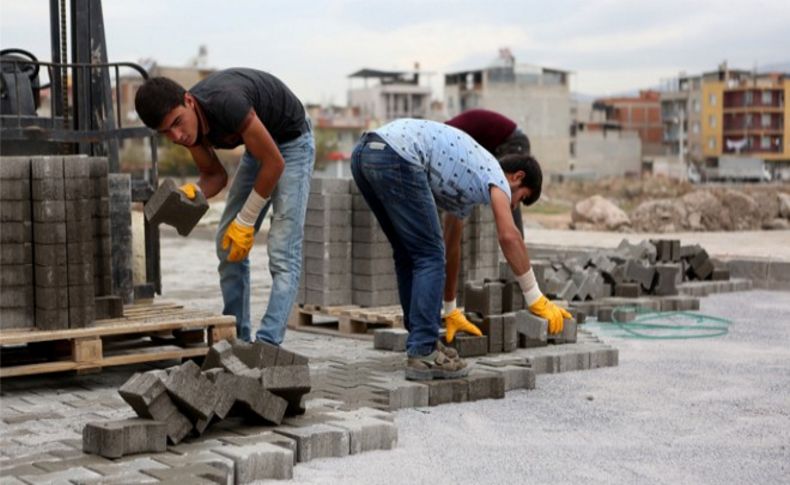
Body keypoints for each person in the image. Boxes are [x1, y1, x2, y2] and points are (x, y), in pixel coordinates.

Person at [350, 118, 570, 381]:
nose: (514, 207)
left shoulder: (467, 182)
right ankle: (423, 351)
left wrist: (450, 308)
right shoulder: (495, 174)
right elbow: (509, 236)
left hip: (365, 153)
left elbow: (451, 247)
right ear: (517, 177)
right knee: (428, 255)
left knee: (411, 254)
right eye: (520, 198)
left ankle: (423, 342)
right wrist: (535, 297)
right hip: (397, 154)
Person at [135, 68, 315, 344]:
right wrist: (192, 194)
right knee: (226, 243)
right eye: (166, 132)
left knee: (282, 251)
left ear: (189, 101)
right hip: (261, 150)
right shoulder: (188, 130)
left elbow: (275, 163)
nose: (178, 135)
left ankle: (267, 344)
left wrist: (246, 219)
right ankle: (236, 337)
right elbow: (215, 176)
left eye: (178, 122)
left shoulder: (226, 103)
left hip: (292, 143)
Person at [443, 109, 532, 338]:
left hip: (513, 142)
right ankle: (516, 250)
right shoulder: (446, 137)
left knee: (504, 191)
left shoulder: (449, 138)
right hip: (503, 142)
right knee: (495, 190)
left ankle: (517, 252)